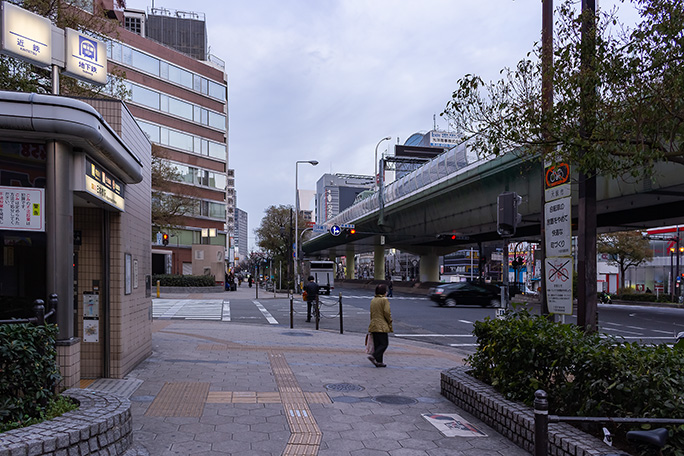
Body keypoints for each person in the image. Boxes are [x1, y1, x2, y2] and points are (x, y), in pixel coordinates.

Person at [368, 283, 393, 368]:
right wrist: (389, 321)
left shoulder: (373, 300)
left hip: (374, 324)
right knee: (384, 344)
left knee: (377, 344)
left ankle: (379, 362)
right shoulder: (384, 300)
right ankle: (374, 356)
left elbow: (372, 313)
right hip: (381, 325)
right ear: (384, 292)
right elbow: (386, 312)